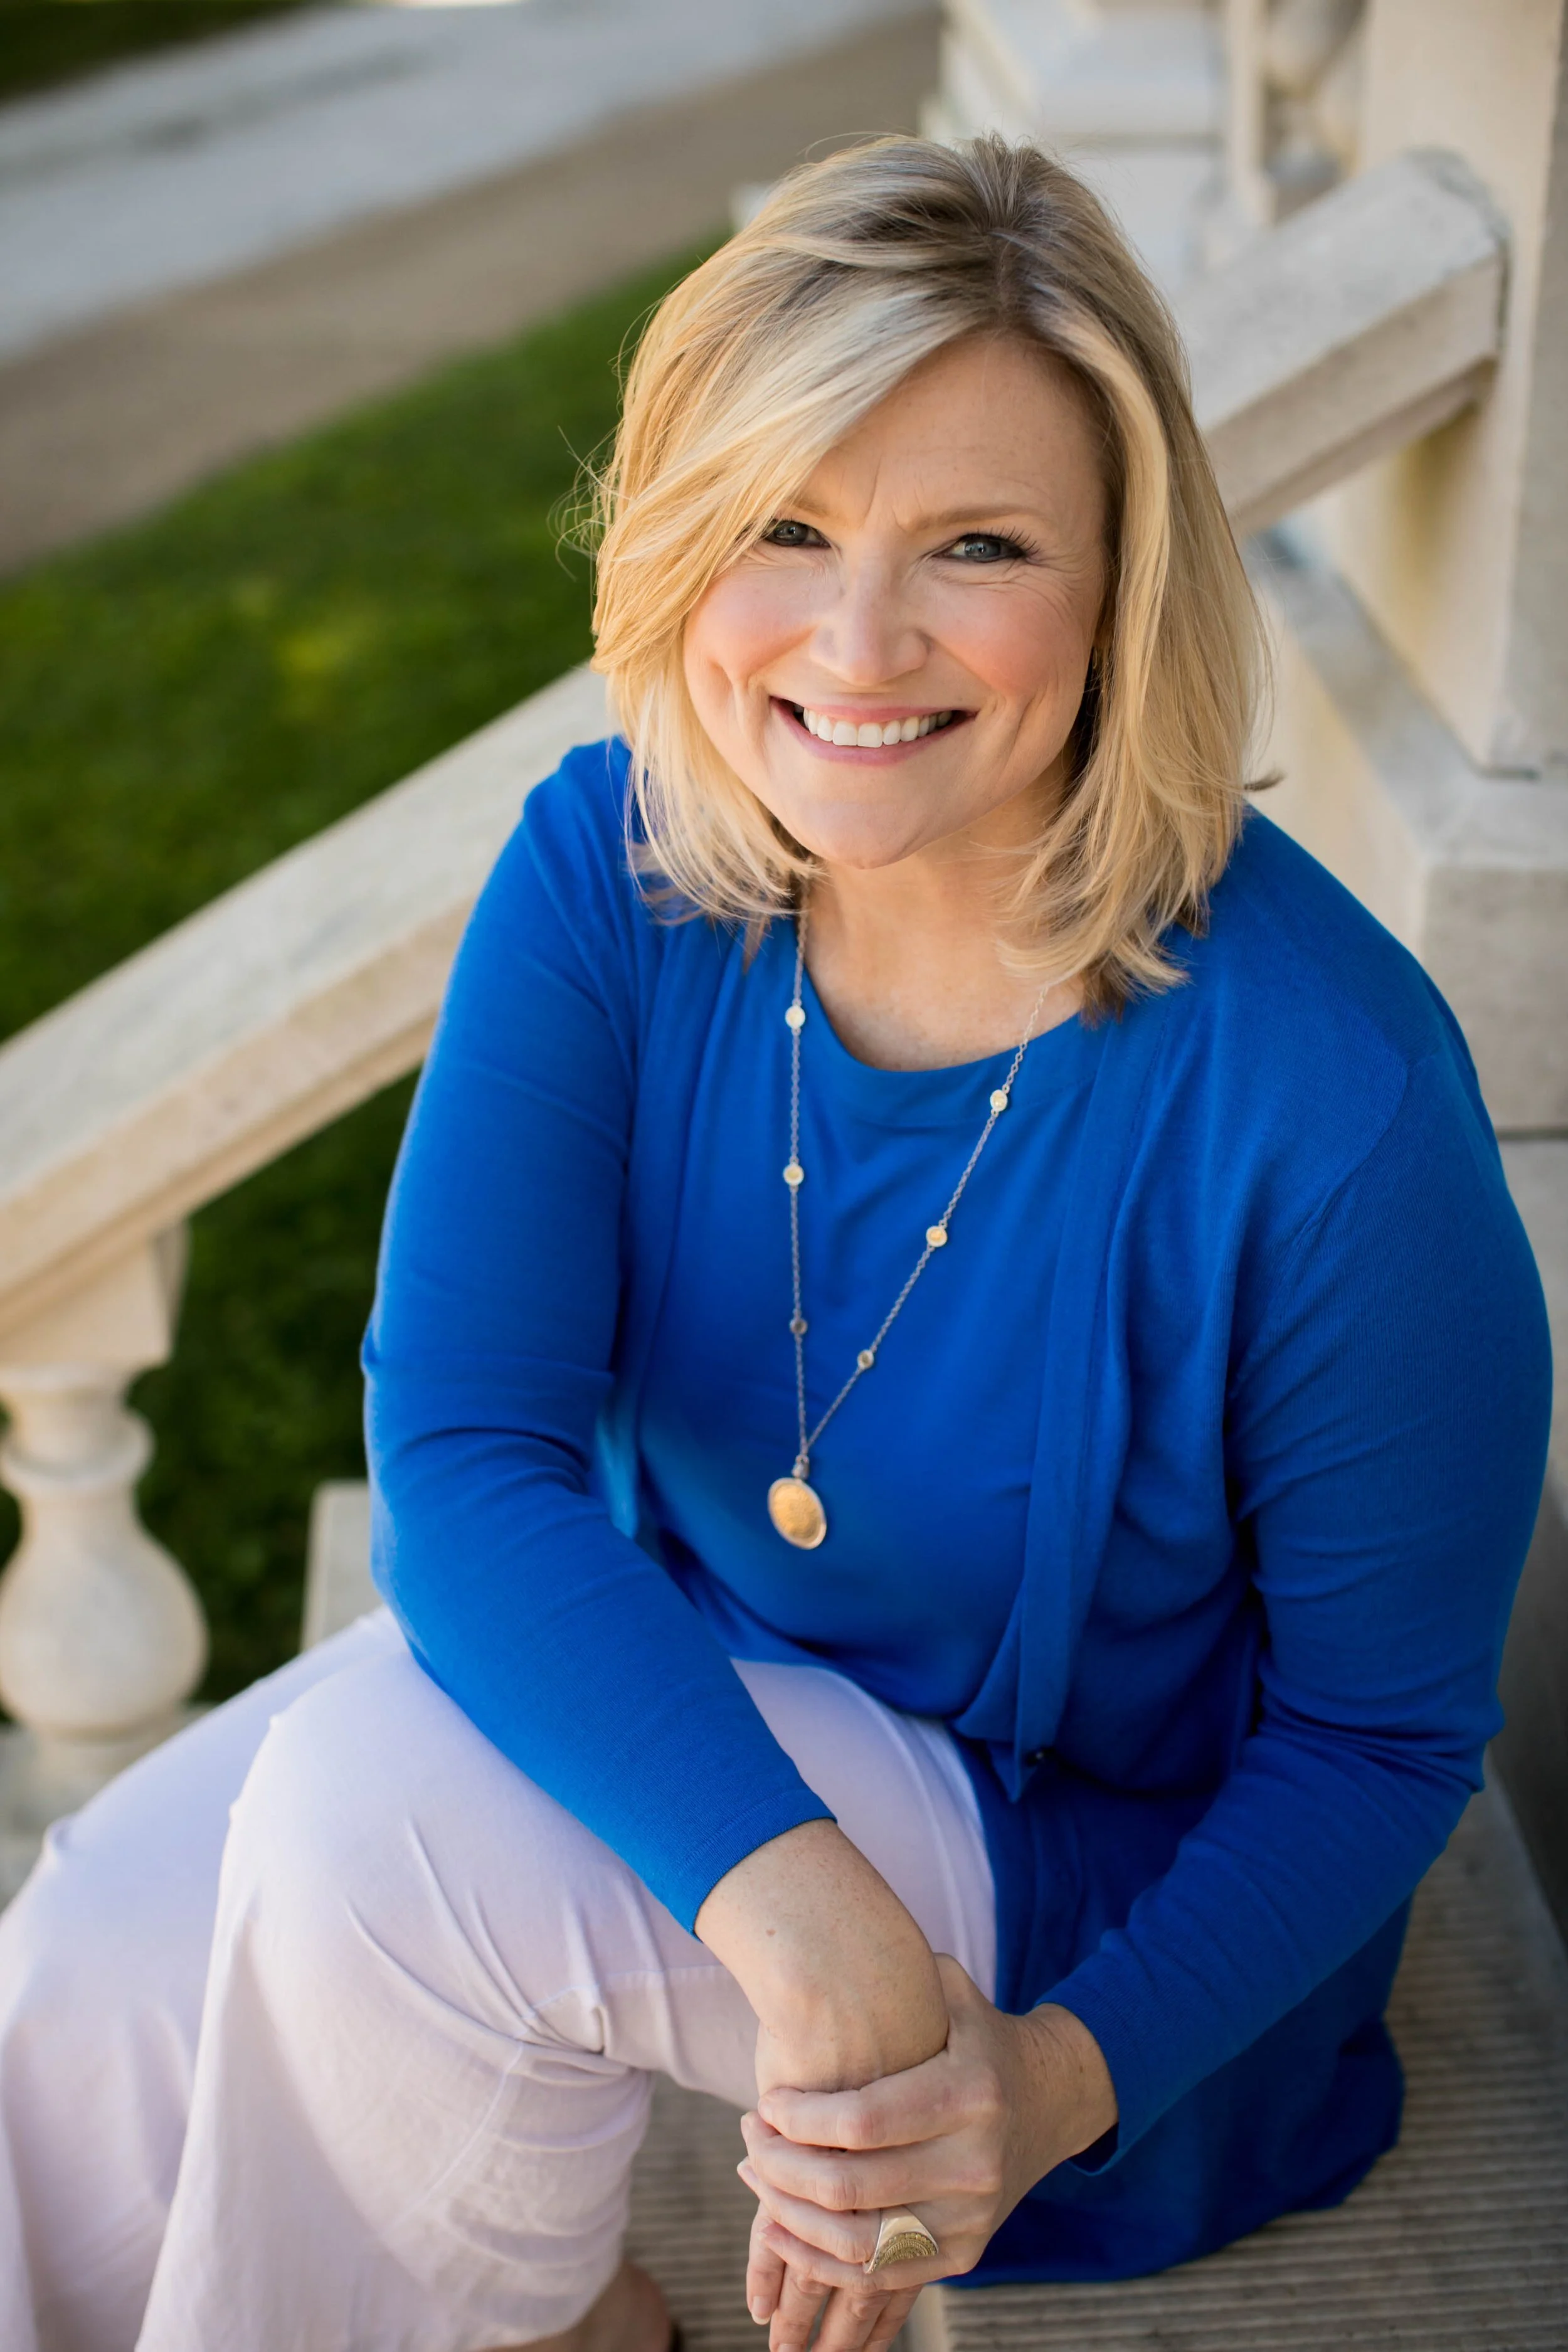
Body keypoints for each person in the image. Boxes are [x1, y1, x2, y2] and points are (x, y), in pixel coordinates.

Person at [0, 135, 1551, 2352]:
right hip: (738, 1709)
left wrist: (1041, 2073)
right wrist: (795, 1904)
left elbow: (1383, 1748)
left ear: (1120, 588)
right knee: (76, 1972)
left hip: (1080, 1884)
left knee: (370, 1834)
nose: (853, 640)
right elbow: (462, 1446)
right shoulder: (609, 876)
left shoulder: (1329, 1101)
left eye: (976, 547)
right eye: (785, 527)